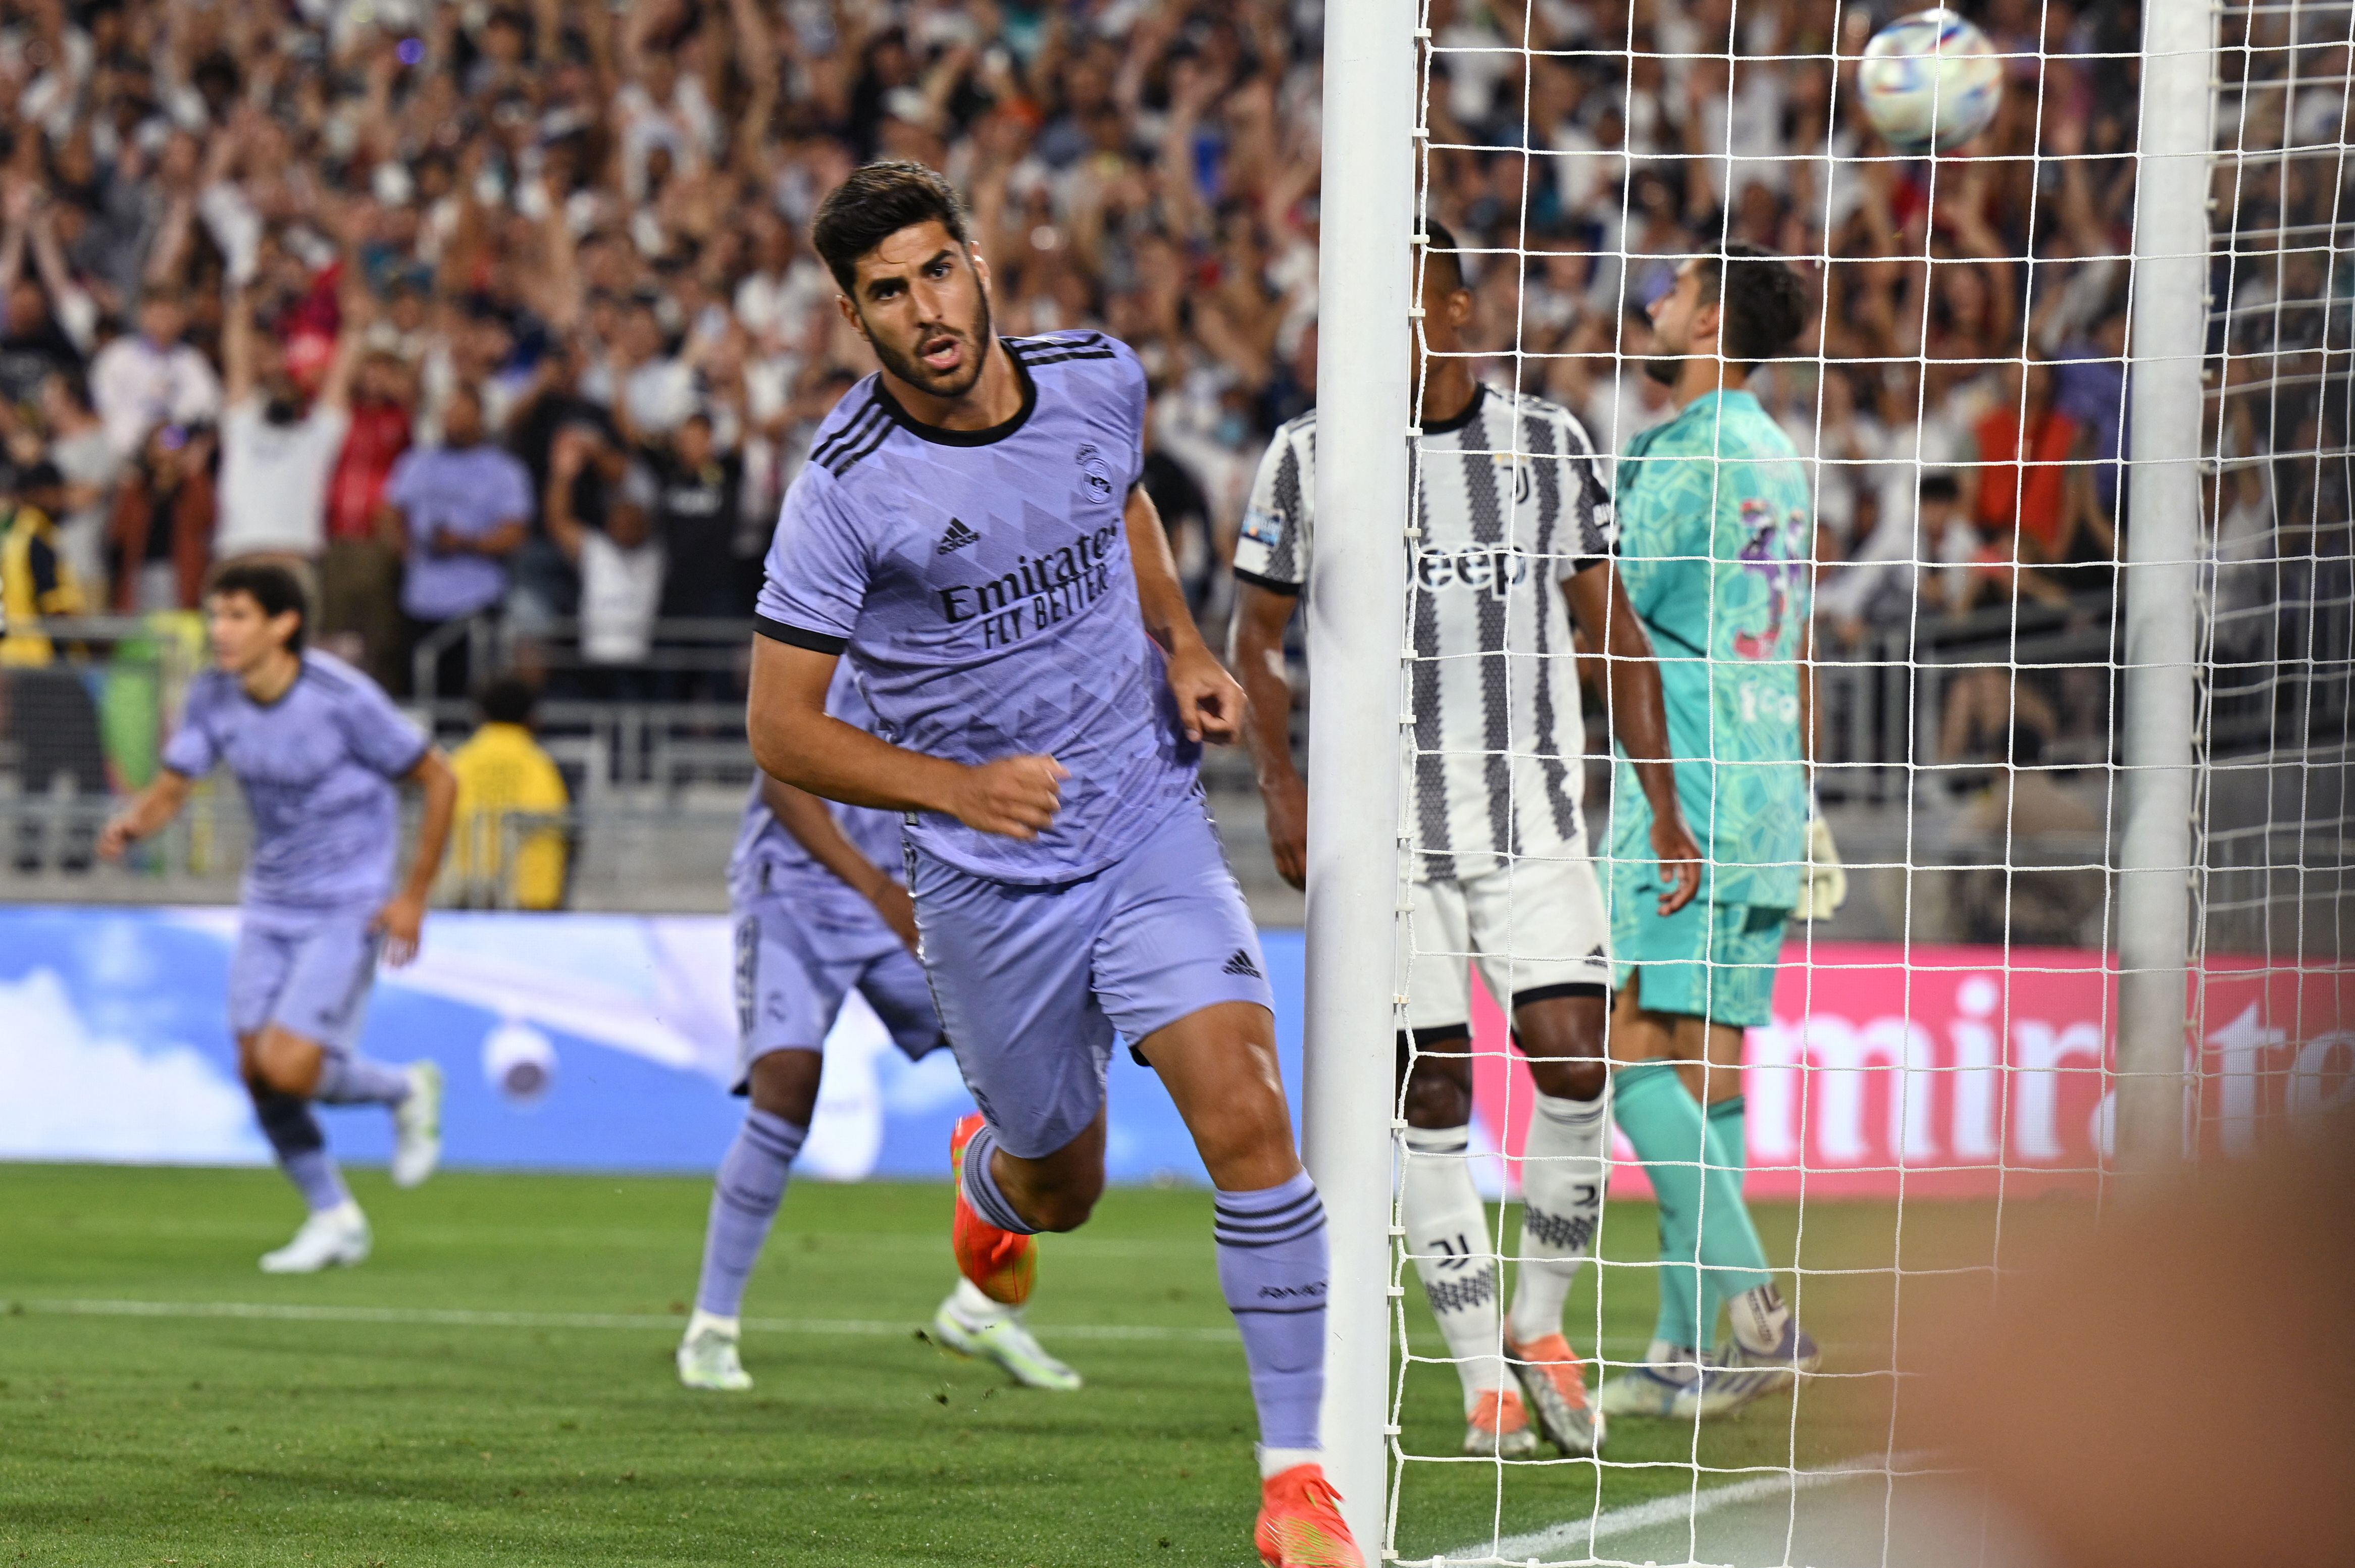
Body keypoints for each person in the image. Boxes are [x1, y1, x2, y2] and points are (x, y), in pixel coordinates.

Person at [744, 162, 1361, 1568]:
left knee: (1252, 1117)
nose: (925, 309)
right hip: (983, 880)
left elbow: (1119, 506)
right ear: (855, 315)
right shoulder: (843, 492)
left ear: (977, 260)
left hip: (1143, 818)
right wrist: (957, 788)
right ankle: (993, 1183)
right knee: (1064, 1184)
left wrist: (1186, 644)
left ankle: (1296, 1482)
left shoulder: (1099, 379)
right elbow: (780, 729)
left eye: (938, 270)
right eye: (887, 293)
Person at [1229, 222, 1703, 1462]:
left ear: (1451, 305)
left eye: (1396, 298)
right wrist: (1279, 781)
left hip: (1533, 821)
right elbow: (1254, 636)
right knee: (1430, 1090)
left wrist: (1662, 799)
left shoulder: (1546, 444)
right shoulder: (1309, 458)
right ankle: (1479, 1374)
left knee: (1576, 1064)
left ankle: (1540, 1325)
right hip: (1384, 842)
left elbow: (1610, 633)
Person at [680, 661, 1082, 1397]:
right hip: (798, 895)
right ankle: (711, 1325)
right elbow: (783, 773)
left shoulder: (965, 653)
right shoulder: (837, 648)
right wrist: (875, 888)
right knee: (788, 1087)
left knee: (1017, 1075)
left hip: (909, 897)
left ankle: (984, 1309)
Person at [1600, 242, 1831, 1419]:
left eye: (1671, 291)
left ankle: (1757, 1311)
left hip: (1678, 785)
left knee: (1618, 1037)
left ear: (1705, 324)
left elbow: (1610, 613)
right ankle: (1687, 1353)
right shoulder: (1779, 456)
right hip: (1765, 786)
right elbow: (1798, 640)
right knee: (1709, 1060)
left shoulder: (1689, 452)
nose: (1649, 302)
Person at [98, 562, 456, 1274]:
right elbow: (176, 784)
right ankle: (334, 1217)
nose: (219, 630)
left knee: (288, 1064)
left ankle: (406, 1087)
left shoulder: (341, 697)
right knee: (255, 1070)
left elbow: (438, 776)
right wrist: (132, 827)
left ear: (283, 623)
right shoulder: (213, 695)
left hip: (347, 900)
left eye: (236, 615)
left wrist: (412, 893)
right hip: (270, 900)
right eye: (216, 614)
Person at [382, 385, 534, 698]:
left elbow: (516, 534)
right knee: (419, 697)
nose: (451, 420)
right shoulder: (418, 462)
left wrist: (465, 543)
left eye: (460, 412)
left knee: (467, 698)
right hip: (420, 600)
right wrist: (404, 548)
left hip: (475, 602)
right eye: (447, 413)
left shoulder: (504, 470)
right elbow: (389, 511)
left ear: (480, 417)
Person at [210, 281, 365, 568]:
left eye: (288, 388)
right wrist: (239, 312)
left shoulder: (316, 437)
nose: (281, 390)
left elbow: (341, 378)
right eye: (275, 387)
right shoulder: (242, 428)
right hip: (239, 554)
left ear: (302, 400)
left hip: (294, 556)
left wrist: (354, 326)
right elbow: (237, 362)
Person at [445, 676, 570, 910]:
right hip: (530, 895)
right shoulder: (540, 765)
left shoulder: (459, 762)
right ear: (531, 717)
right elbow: (559, 823)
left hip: (470, 888)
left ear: (480, 714)